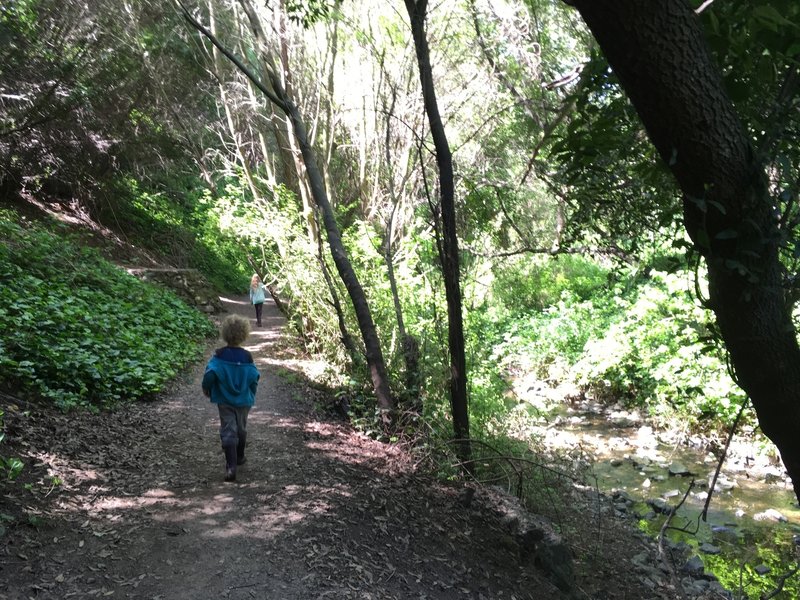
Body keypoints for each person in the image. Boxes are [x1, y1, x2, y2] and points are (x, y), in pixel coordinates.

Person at [201, 314, 260, 482]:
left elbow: (211, 373)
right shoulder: (247, 357)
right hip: (243, 401)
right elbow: (254, 376)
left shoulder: (219, 355)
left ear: (225, 334)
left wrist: (207, 388)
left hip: (225, 400)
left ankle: (231, 467)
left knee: (228, 429)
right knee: (241, 428)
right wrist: (252, 393)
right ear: (244, 335)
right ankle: (240, 456)